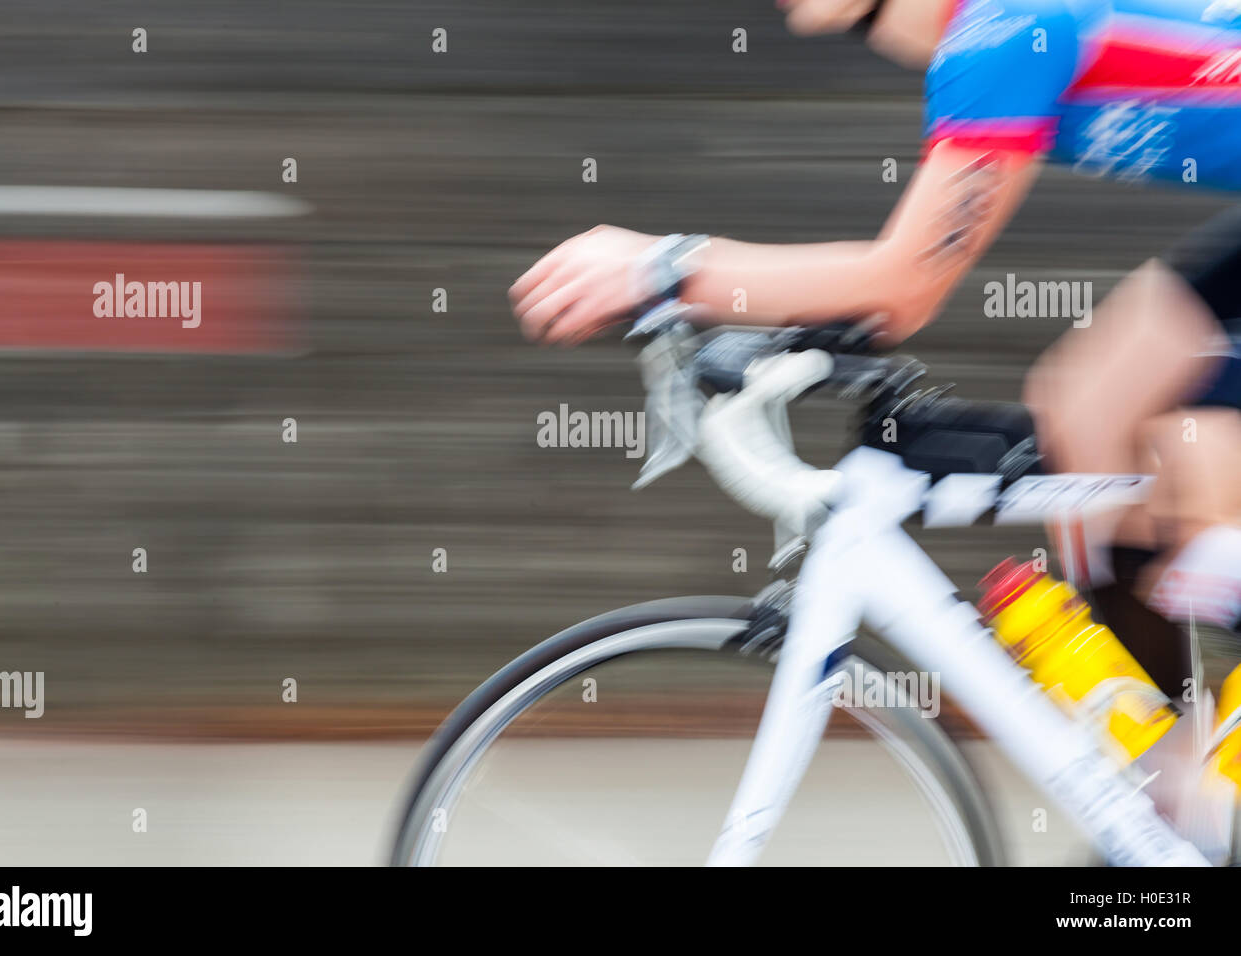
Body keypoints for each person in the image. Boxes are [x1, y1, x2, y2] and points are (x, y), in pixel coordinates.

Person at [509, 0, 1241, 858]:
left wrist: (663, 267)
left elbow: (901, 289)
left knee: (1203, 454)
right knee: (1088, 409)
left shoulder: (1004, 32)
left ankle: (1190, 798)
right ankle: (1165, 818)